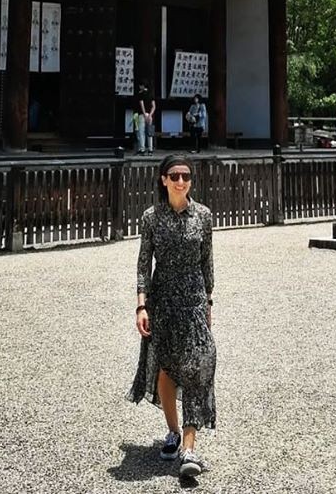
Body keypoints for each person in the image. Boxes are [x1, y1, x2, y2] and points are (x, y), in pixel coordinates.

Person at [130, 155, 216, 480]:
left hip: (194, 299)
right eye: (175, 176)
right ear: (163, 179)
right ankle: (173, 431)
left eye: (186, 176)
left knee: (199, 366)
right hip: (162, 300)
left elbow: (208, 260)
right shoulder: (151, 218)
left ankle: (190, 449)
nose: (181, 181)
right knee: (166, 369)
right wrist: (141, 306)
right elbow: (143, 265)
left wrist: (209, 299)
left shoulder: (204, 216)